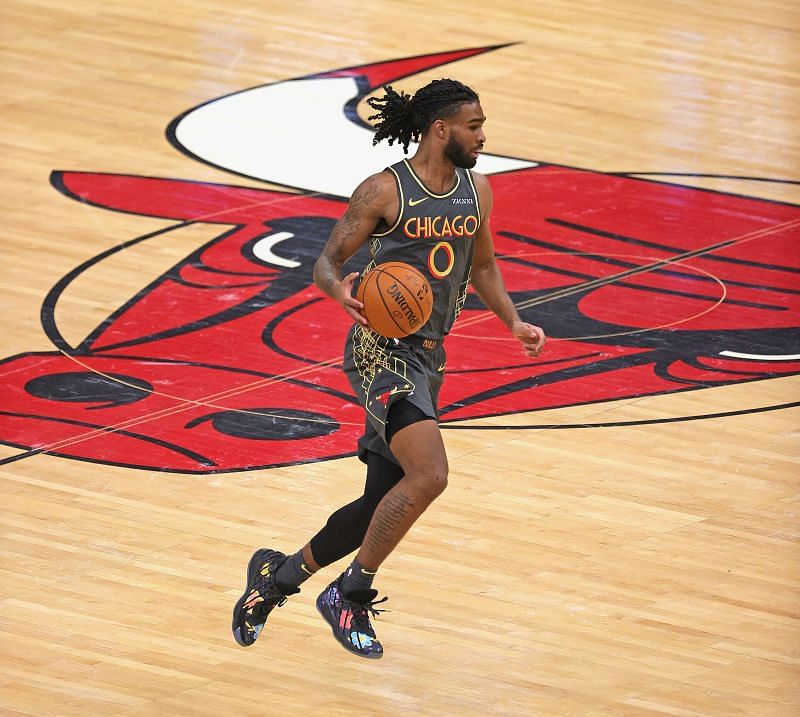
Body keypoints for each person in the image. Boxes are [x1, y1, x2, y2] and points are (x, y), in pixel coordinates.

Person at [232, 78, 546, 659]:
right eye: (474, 126)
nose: (482, 135)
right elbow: (327, 261)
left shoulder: (479, 192)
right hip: (381, 350)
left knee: (380, 501)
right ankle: (350, 592)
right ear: (440, 129)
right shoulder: (383, 191)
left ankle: (276, 580)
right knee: (429, 475)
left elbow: (483, 267)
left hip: (429, 356)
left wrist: (514, 322)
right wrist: (339, 294)